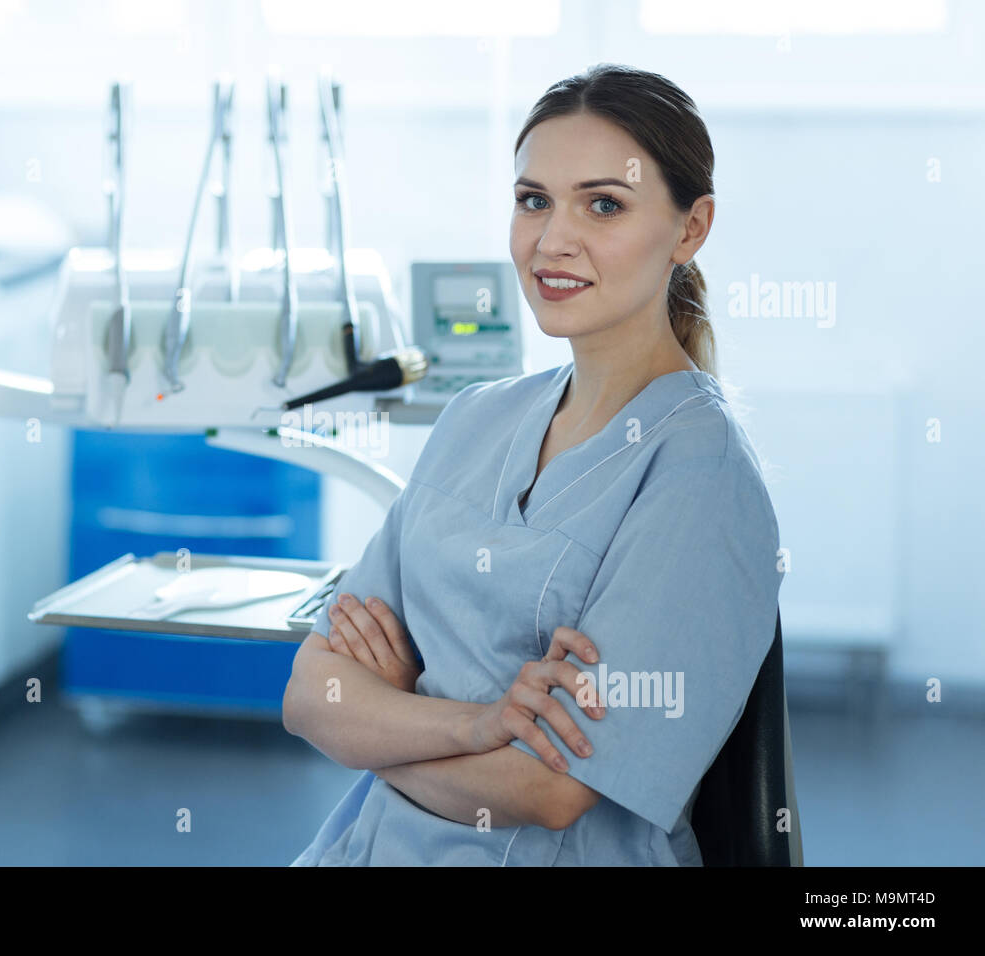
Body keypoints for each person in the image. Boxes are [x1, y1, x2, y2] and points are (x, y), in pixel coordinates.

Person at [282, 63, 783, 866]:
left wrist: (387, 723)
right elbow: (314, 696)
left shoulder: (701, 476)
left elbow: (550, 790)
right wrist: (474, 725)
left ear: (691, 229)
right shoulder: (473, 418)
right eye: (533, 200)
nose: (552, 241)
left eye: (605, 205)